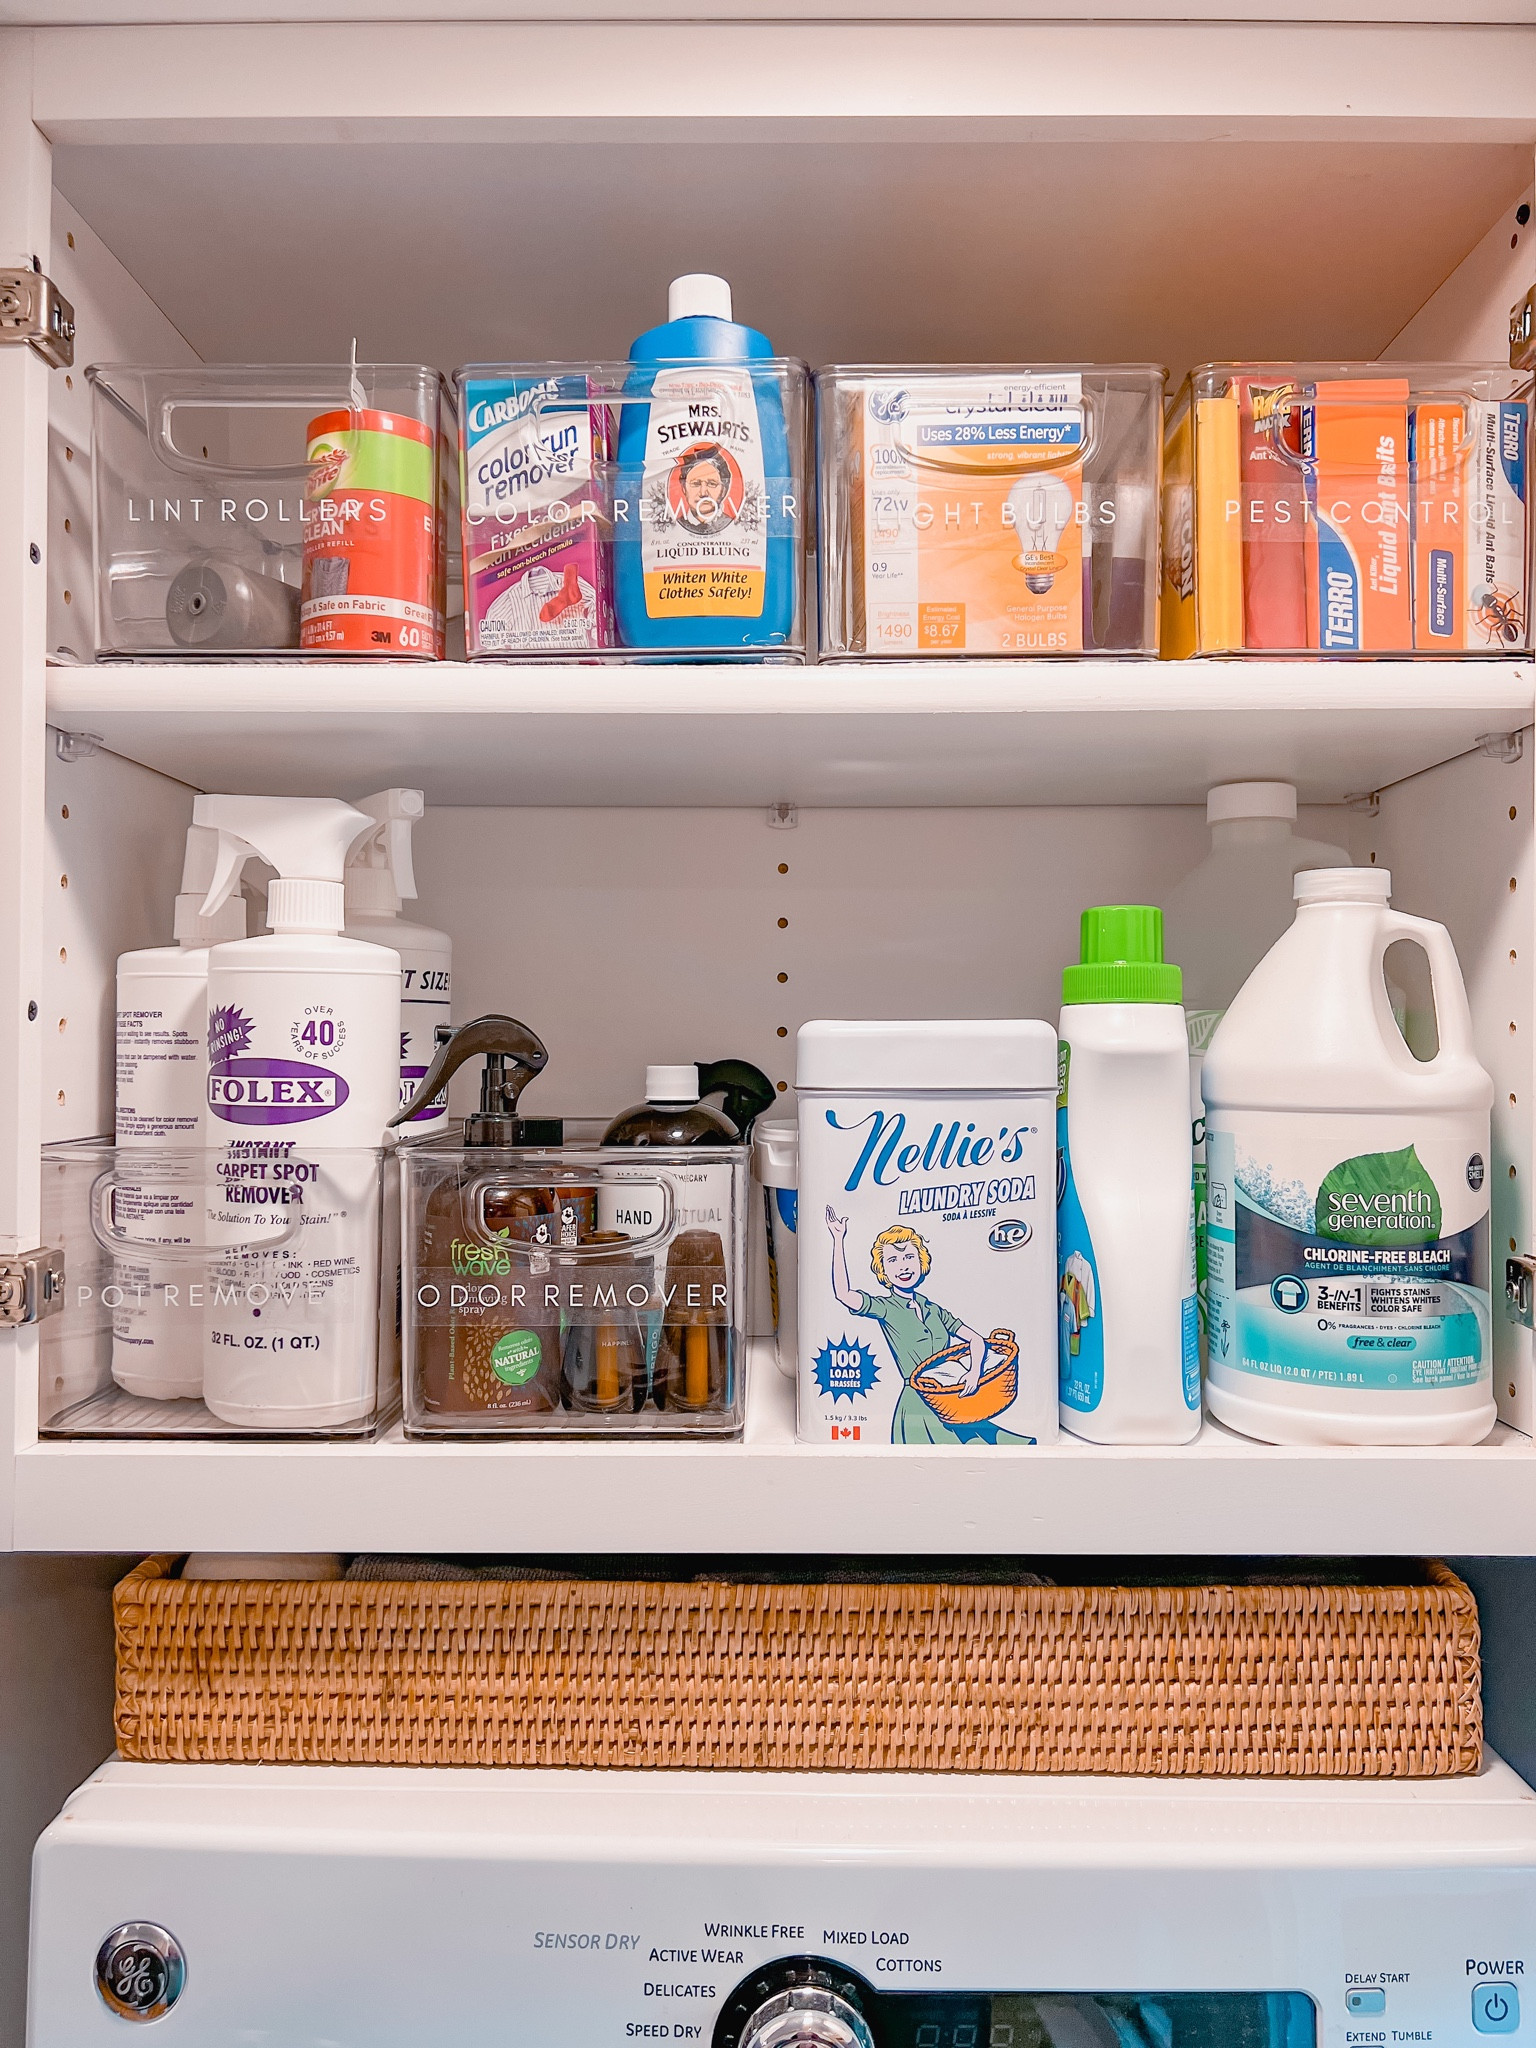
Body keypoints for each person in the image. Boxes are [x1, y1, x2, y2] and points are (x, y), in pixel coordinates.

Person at [825, 1208, 1027, 1445]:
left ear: (921, 1262)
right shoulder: (887, 1308)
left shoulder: (933, 1309)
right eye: (893, 1260)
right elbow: (844, 1294)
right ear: (884, 1272)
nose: (903, 1267)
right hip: (919, 1405)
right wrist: (838, 1239)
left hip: (955, 1398)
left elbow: (975, 1340)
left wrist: (974, 1373)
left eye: (909, 1257)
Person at [674, 446, 735, 536]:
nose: (703, 493)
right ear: (684, 488)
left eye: (711, 484)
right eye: (695, 484)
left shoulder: (734, 527)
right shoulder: (673, 527)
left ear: (723, 490)